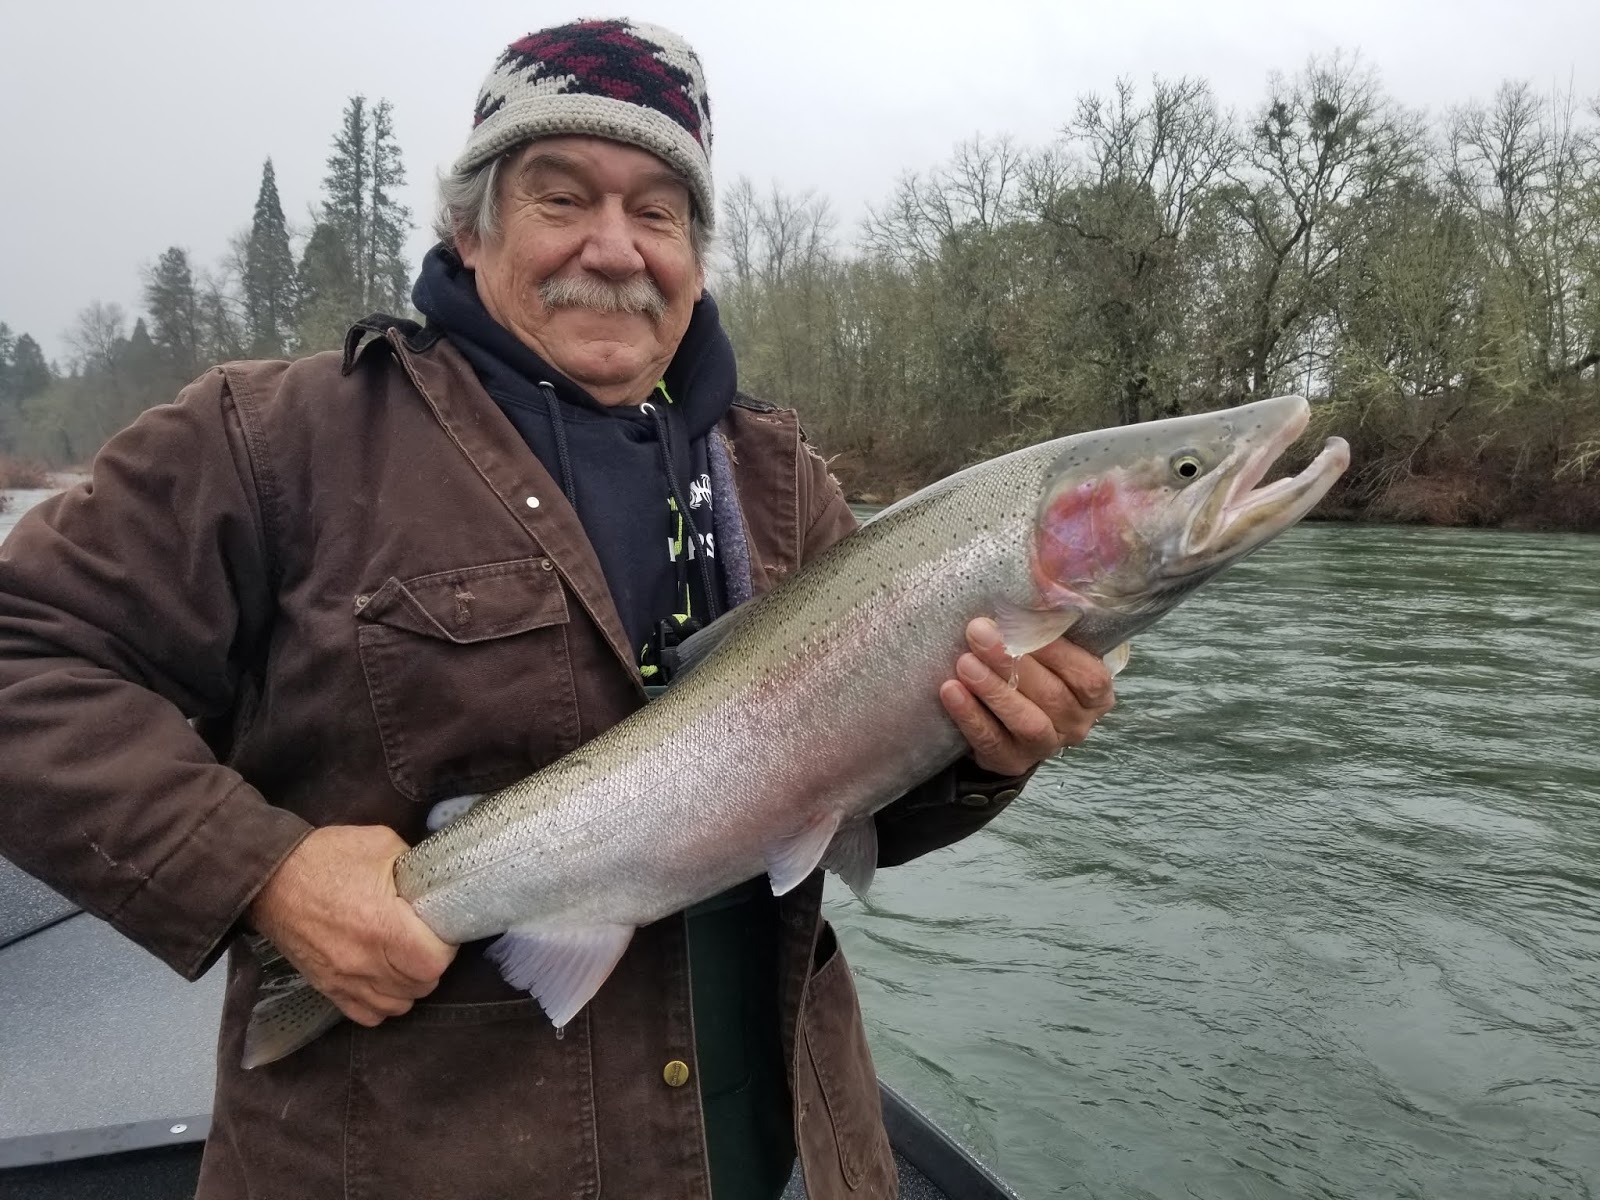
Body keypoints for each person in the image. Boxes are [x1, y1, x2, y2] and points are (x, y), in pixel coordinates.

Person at [0, 19, 1114, 1200]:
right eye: (561, 195)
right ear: (470, 224)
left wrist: (989, 749)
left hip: (784, 1151)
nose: (614, 247)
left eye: (658, 210)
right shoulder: (272, 438)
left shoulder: (783, 480)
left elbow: (859, 823)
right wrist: (262, 874)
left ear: (695, 249)